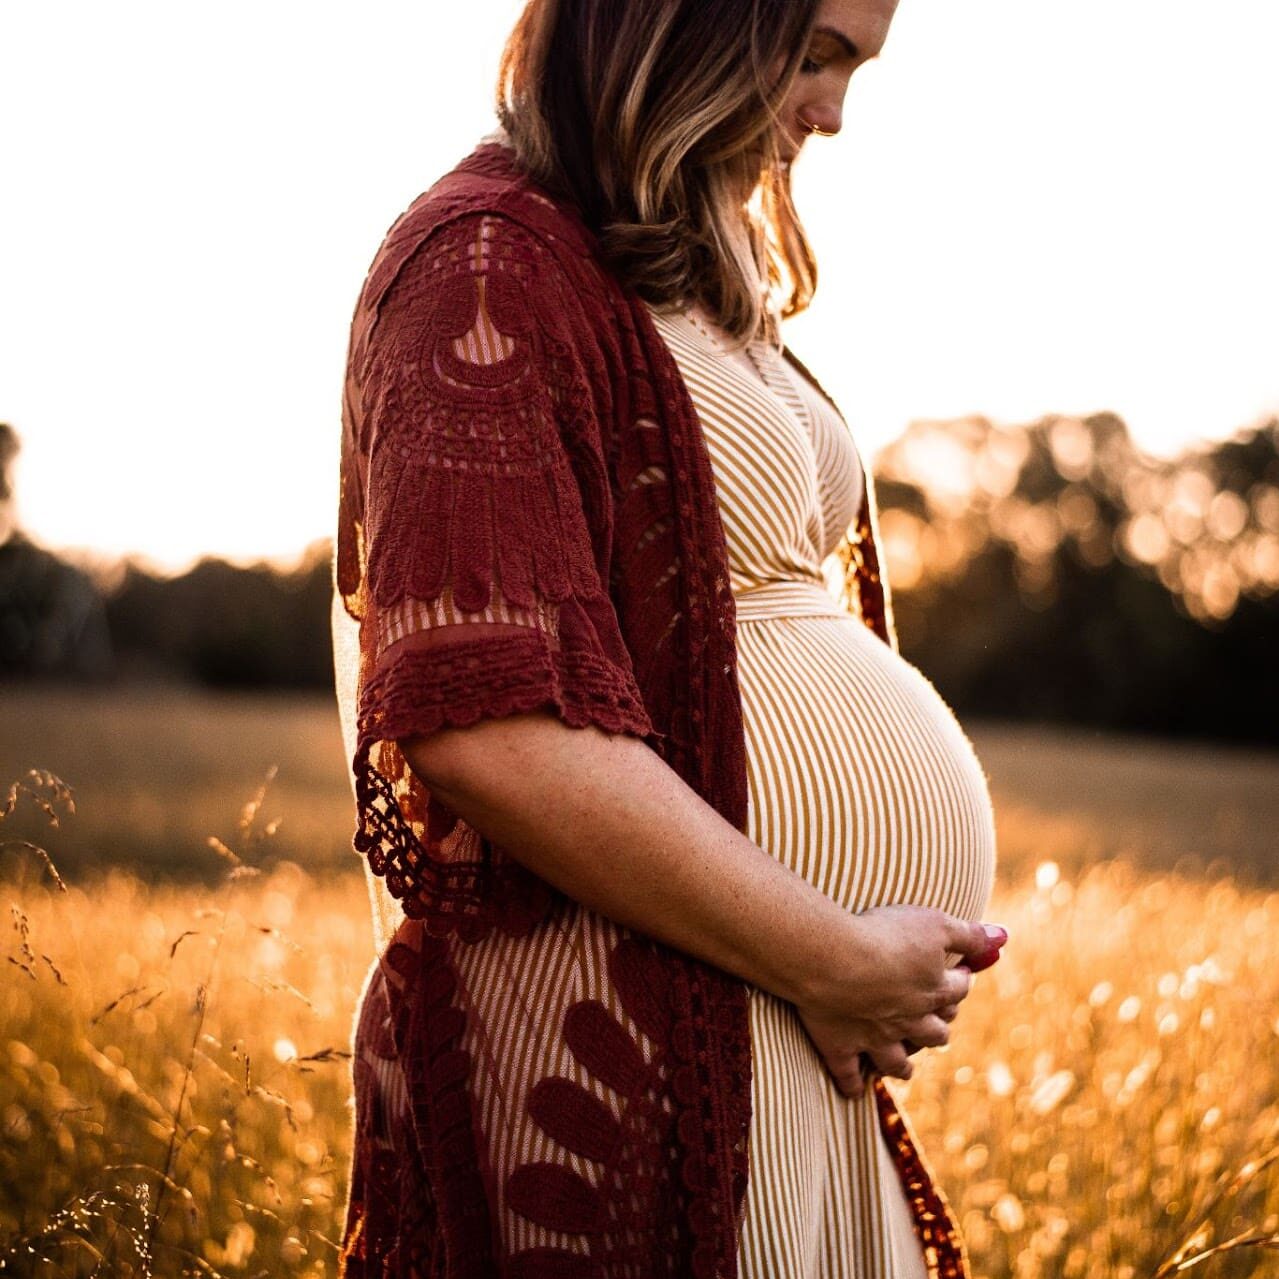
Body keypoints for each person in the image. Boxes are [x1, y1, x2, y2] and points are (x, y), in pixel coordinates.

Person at [332, 1, 1005, 1275]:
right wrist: (834, 952)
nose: (833, 113)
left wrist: (840, 966)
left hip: (772, 1021)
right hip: (622, 1037)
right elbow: (483, 719)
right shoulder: (483, 265)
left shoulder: (673, 264)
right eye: (816, 54)